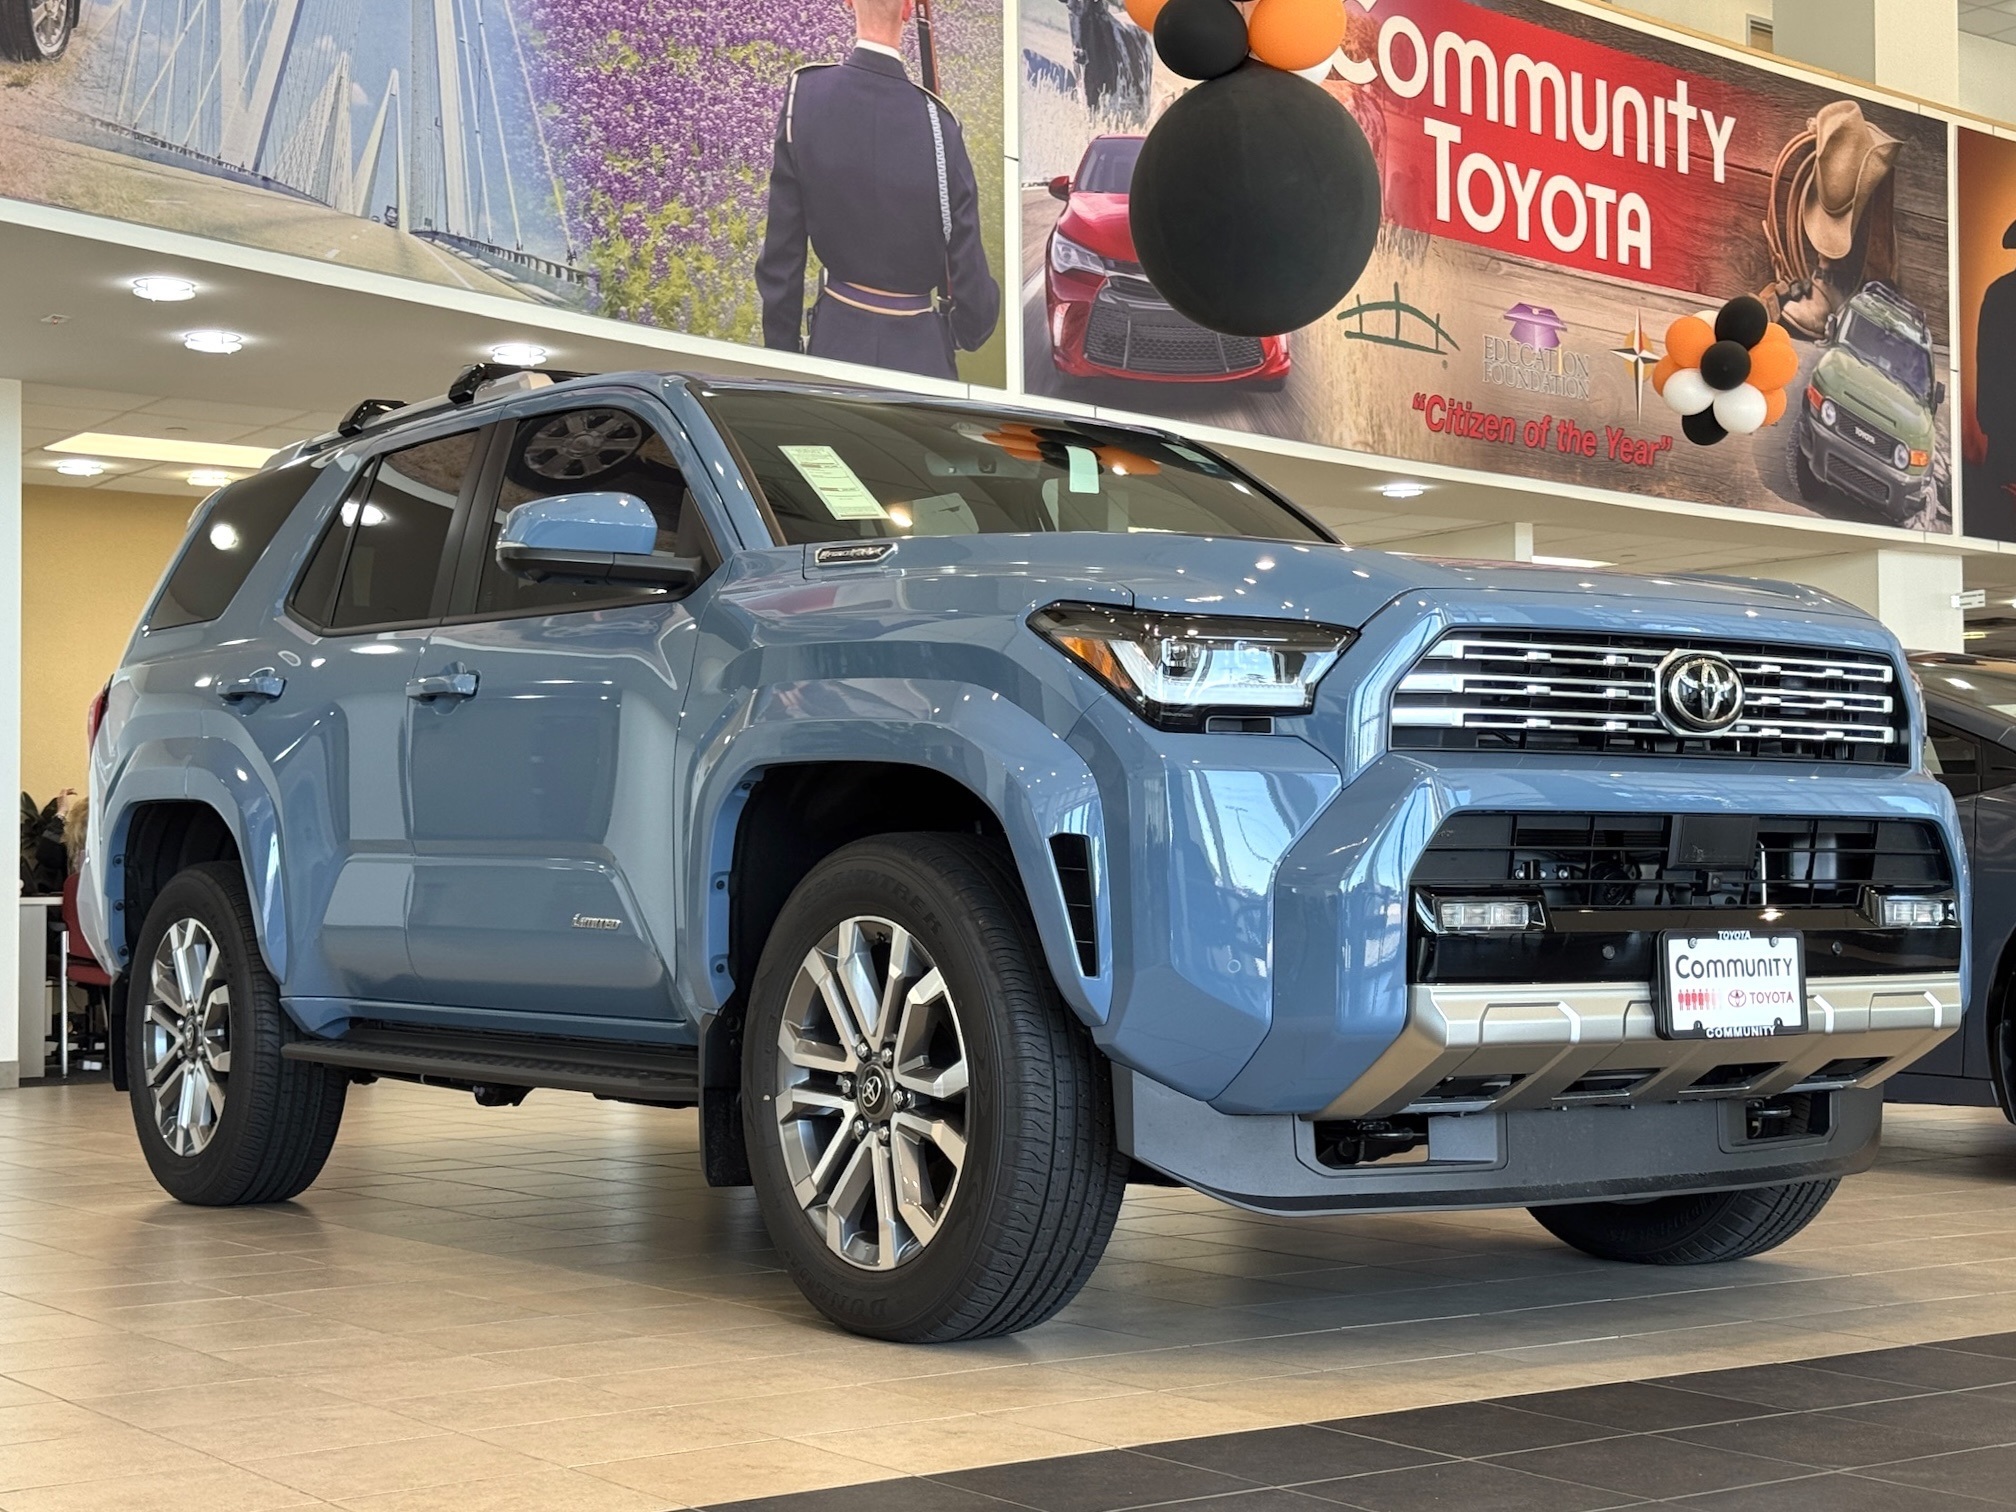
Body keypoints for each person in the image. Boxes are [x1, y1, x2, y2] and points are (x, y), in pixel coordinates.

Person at [757, 0, 1001, 380]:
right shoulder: (941, 124)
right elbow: (973, 296)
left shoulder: (804, 95)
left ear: (848, 2)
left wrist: (785, 359)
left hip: (832, 348)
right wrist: (967, 327)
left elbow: (781, 259)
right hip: (923, 362)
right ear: (908, 9)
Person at [1980, 218, 2016, 526]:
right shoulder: (2000, 294)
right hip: (2006, 420)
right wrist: (1989, 418)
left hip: (2001, 420)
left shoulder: (1998, 292)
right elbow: (1987, 360)